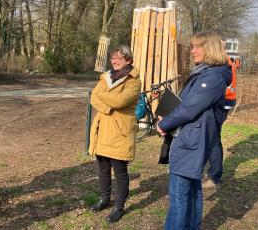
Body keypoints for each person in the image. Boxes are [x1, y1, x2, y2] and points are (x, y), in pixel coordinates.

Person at [156, 31, 232, 230]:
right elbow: (188, 105)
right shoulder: (206, 73)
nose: (192, 51)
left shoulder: (213, 77)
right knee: (191, 190)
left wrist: (164, 124)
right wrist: (169, 116)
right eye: (192, 46)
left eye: (197, 46)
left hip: (191, 142)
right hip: (192, 138)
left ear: (210, 49)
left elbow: (189, 108)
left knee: (180, 195)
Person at [88, 45, 140, 223]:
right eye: (113, 58)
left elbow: (120, 101)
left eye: (118, 58)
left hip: (120, 132)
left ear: (128, 60)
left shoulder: (134, 81)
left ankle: (119, 206)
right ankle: (104, 199)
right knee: (102, 169)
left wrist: (106, 99)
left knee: (120, 171)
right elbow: (93, 97)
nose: (114, 61)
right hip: (103, 129)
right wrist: (108, 107)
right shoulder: (106, 77)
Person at [203, 56, 238, 189]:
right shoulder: (226, 61)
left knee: (214, 139)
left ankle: (214, 176)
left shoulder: (222, 63)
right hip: (225, 103)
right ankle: (212, 173)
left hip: (221, 104)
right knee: (212, 138)